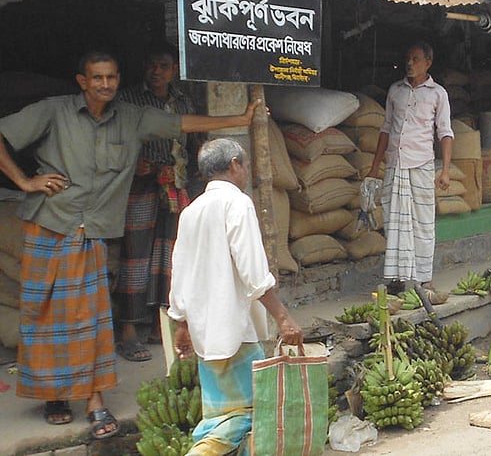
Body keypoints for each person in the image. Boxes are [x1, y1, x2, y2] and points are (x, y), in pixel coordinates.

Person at [0, 50, 261, 439]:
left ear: (119, 79)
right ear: (82, 81)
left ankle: (94, 400)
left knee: (91, 317)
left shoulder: (131, 117)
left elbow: (181, 123)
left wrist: (240, 119)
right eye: (97, 77)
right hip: (49, 224)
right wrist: (24, 181)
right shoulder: (54, 111)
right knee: (44, 316)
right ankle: (55, 395)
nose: (105, 84)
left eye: (111, 77)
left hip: (92, 232)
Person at [168, 138, 303, 455]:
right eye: (245, 164)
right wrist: (283, 317)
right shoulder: (237, 203)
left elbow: (180, 271)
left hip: (204, 333)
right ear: (234, 164)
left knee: (219, 417)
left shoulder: (191, 211)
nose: (247, 171)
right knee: (247, 415)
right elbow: (254, 273)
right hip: (235, 328)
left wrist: (182, 324)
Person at [113, 44, 197, 363]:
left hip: (173, 187)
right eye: (152, 65)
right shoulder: (128, 99)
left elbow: (191, 142)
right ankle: (128, 331)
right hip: (139, 186)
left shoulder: (182, 101)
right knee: (135, 258)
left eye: (163, 66)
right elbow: (112, 140)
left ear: (174, 69)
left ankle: (158, 326)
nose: (157, 71)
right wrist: (132, 163)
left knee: (170, 258)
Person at [367, 42, 454, 300]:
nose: (410, 63)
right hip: (395, 164)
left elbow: (445, 132)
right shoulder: (395, 90)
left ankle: (425, 279)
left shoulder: (438, 94)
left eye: (416, 59)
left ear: (428, 63)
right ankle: (397, 278)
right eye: (408, 58)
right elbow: (386, 128)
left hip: (421, 164)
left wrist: (445, 170)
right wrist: (374, 167)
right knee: (394, 221)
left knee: (423, 222)